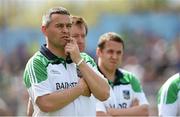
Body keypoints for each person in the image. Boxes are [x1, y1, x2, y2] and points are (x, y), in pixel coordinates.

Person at [23, 7, 109, 116]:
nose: (65, 30)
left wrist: (79, 60)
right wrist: (81, 88)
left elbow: (104, 93)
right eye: (59, 26)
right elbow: (45, 103)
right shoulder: (37, 62)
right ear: (44, 30)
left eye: (68, 26)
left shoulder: (84, 59)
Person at [95, 32, 149, 116]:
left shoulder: (130, 78)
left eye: (118, 52)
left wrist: (112, 112)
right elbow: (100, 115)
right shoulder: (91, 78)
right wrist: (132, 112)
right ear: (99, 52)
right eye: (110, 51)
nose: (115, 56)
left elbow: (145, 112)